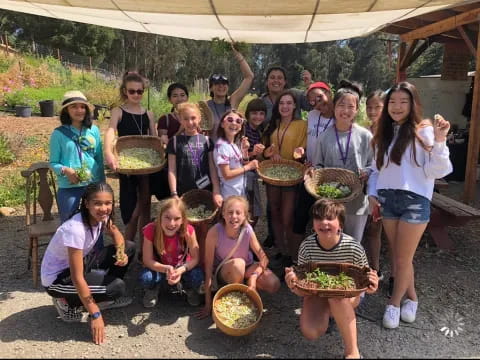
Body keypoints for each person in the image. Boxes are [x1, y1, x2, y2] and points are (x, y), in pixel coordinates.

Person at [367, 81, 453, 329]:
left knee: (403, 259)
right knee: (399, 255)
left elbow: (438, 170)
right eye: (393, 102)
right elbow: (376, 170)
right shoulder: (383, 134)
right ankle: (412, 298)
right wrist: (373, 194)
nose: (397, 107)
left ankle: (393, 304)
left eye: (403, 102)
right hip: (388, 199)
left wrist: (440, 140)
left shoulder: (424, 131)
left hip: (415, 201)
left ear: (413, 104)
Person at [41, 183, 135, 345]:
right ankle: (65, 301)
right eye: (98, 203)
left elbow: (117, 234)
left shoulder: (102, 216)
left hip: (78, 264)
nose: (104, 208)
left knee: (129, 247)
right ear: (87, 204)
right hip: (57, 280)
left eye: (108, 203)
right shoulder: (76, 229)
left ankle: (103, 296)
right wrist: (95, 314)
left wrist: (121, 253)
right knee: (117, 287)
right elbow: (77, 277)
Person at [285, 199, 379, 359]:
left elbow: (364, 283)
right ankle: (332, 315)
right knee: (310, 331)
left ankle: (352, 352)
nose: (324, 223)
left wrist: (372, 286)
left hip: (348, 295)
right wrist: (293, 285)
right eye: (319, 218)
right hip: (317, 292)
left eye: (330, 218)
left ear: (340, 224)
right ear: (313, 224)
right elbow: (303, 288)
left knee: (337, 298)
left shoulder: (353, 247)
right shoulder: (307, 247)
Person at [196, 196, 280, 319]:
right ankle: (239, 298)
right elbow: (208, 269)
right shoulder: (214, 232)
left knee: (273, 284)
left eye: (238, 213)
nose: (234, 216)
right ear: (223, 213)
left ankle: (246, 285)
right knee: (238, 264)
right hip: (225, 271)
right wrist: (208, 304)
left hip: (246, 267)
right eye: (230, 212)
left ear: (244, 216)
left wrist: (254, 277)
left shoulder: (247, 229)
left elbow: (263, 258)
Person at [315, 80, 373, 244]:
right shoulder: (324, 137)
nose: (345, 110)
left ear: (356, 110)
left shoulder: (365, 136)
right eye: (341, 105)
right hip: (331, 200)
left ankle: (352, 270)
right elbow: (318, 165)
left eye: (351, 106)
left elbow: (373, 164)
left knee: (353, 243)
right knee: (332, 242)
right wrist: (316, 173)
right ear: (334, 107)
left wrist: (367, 172)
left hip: (357, 201)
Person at [104, 72, 157, 247]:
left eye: (139, 91)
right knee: (132, 208)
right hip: (127, 165)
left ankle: (144, 248)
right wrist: (109, 153)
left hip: (146, 166)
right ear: (125, 91)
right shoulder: (118, 111)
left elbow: (154, 139)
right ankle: (127, 247)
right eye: (132, 91)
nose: (136, 95)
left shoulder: (148, 113)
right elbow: (111, 131)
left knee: (145, 205)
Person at [167, 102, 223, 265]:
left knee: (203, 230)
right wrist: (174, 194)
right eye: (186, 119)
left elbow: (212, 169)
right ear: (180, 120)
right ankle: (186, 263)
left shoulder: (206, 141)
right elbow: (172, 170)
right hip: (184, 194)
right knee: (184, 230)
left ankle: (204, 264)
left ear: (199, 118)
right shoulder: (175, 142)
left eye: (193, 118)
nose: (190, 123)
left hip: (204, 194)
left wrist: (216, 190)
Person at [263, 90, 307, 267]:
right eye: (282, 103)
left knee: (287, 216)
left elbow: (303, 150)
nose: (285, 106)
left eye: (289, 103)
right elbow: (264, 150)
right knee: (274, 212)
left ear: (295, 105)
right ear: (277, 106)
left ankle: (291, 253)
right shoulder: (273, 124)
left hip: (291, 176)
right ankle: (281, 251)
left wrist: (301, 154)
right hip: (273, 175)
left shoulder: (302, 125)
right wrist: (268, 154)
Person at [49, 90, 105, 223]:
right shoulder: (58, 134)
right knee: (70, 224)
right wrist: (66, 171)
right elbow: (53, 163)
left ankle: (97, 245)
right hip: (69, 187)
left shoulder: (93, 130)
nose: (79, 110)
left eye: (82, 107)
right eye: (74, 107)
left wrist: (102, 183)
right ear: (66, 110)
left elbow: (99, 158)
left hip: (93, 184)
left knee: (96, 223)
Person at [292, 81, 334, 249]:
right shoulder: (311, 116)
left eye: (319, 97)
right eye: (311, 101)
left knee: (326, 218)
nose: (317, 103)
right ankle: (295, 260)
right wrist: (302, 151)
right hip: (310, 174)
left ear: (328, 93)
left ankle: (326, 257)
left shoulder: (339, 116)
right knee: (300, 216)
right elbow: (309, 141)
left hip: (330, 175)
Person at [139, 197, 204, 308]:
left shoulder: (188, 231)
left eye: (177, 218)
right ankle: (153, 289)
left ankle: (189, 288)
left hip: (182, 267)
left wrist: (181, 270)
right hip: (160, 268)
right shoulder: (151, 230)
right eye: (167, 218)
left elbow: (195, 258)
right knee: (146, 278)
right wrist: (166, 269)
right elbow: (147, 260)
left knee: (198, 276)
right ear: (160, 217)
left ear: (183, 219)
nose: (171, 223)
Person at [150, 83, 190, 202]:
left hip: (190, 164)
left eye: (182, 95)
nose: (179, 99)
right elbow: (165, 145)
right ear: (170, 99)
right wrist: (180, 131)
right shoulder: (165, 119)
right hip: (173, 164)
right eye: (175, 96)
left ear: (187, 97)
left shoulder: (194, 117)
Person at [205, 45, 254, 140]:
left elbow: (249, 77)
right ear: (211, 88)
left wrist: (238, 55)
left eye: (224, 84)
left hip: (231, 151)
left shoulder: (232, 102)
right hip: (213, 152)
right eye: (217, 84)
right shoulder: (206, 106)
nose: (221, 86)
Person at [363, 90, 386, 281]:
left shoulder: (389, 132)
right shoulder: (365, 130)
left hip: (380, 185)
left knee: (375, 228)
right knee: (364, 226)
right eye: (369, 107)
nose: (372, 111)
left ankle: (376, 267)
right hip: (363, 183)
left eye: (377, 107)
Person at [214, 109, 259, 199]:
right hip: (229, 194)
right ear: (222, 124)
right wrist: (249, 167)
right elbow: (226, 175)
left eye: (238, 121)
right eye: (230, 120)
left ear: (241, 127)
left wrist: (245, 151)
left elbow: (241, 164)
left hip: (238, 192)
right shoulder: (222, 146)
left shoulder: (233, 144)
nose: (234, 123)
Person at [244, 98, 268, 226]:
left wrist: (264, 154)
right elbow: (236, 156)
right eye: (254, 113)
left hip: (252, 173)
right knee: (250, 210)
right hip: (243, 175)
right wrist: (253, 153)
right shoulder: (242, 129)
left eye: (261, 113)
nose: (258, 117)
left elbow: (257, 158)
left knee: (256, 211)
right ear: (248, 114)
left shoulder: (258, 132)